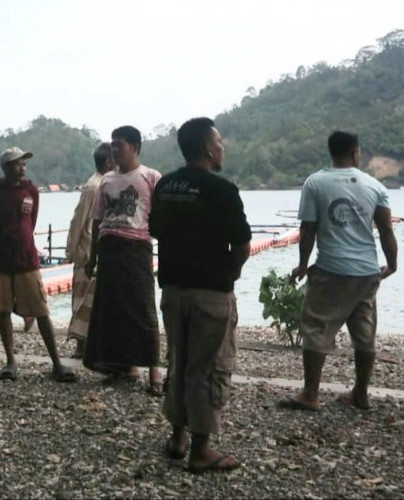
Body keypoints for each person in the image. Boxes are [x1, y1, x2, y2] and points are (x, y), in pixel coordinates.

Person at [149, 117, 251, 474]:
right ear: (209, 148)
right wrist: (230, 274)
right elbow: (240, 244)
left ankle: (177, 436)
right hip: (210, 293)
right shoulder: (222, 191)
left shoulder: (165, 185)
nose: (223, 146)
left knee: (179, 361)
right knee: (208, 368)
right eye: (220, 140)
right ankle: (202, 448)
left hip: (173, 289)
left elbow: (156, 229)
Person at [279, 130, 397, 412]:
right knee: (364, 332)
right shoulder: (375, 186)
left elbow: (308, 229)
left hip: (331, 269)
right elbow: (385, 229)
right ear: (355, 152)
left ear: (331, 152)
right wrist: (392, 264)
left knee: (317, 328)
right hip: (367, 271)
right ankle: (361, 393)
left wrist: (304, 264)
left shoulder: (315, 183)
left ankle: (310, 394)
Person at [0, 147, 75, 383]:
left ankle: (56, 363)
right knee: (3, 311)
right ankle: (10, 362)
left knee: (42, 311)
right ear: (6, 167)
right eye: (18, 164)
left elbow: (30, 224)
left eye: (24, 163)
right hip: (1, 262)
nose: (23, 167)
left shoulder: (31, 190)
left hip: (27, 260)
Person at [83, 126, 163, 395]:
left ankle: (154, 370)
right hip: (109, 246)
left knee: (143, 308)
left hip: (137, 247)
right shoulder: (106, 181)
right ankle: (123, 366)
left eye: (120, 145)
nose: (115, 150)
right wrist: (92, 256)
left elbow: (162, 218)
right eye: (113, 145)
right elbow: (97, 221)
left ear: (135, 146)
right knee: (112, 310)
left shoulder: (151, 177)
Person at [65, 143, 116, 358]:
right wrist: (71, 250)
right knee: (81, 300)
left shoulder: (105, 184)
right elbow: (78, 220)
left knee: (92, 302)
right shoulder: (93, 186)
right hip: (86, 250)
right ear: (107, 162)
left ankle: (91, 345)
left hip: (95, 250)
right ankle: (80, 346)